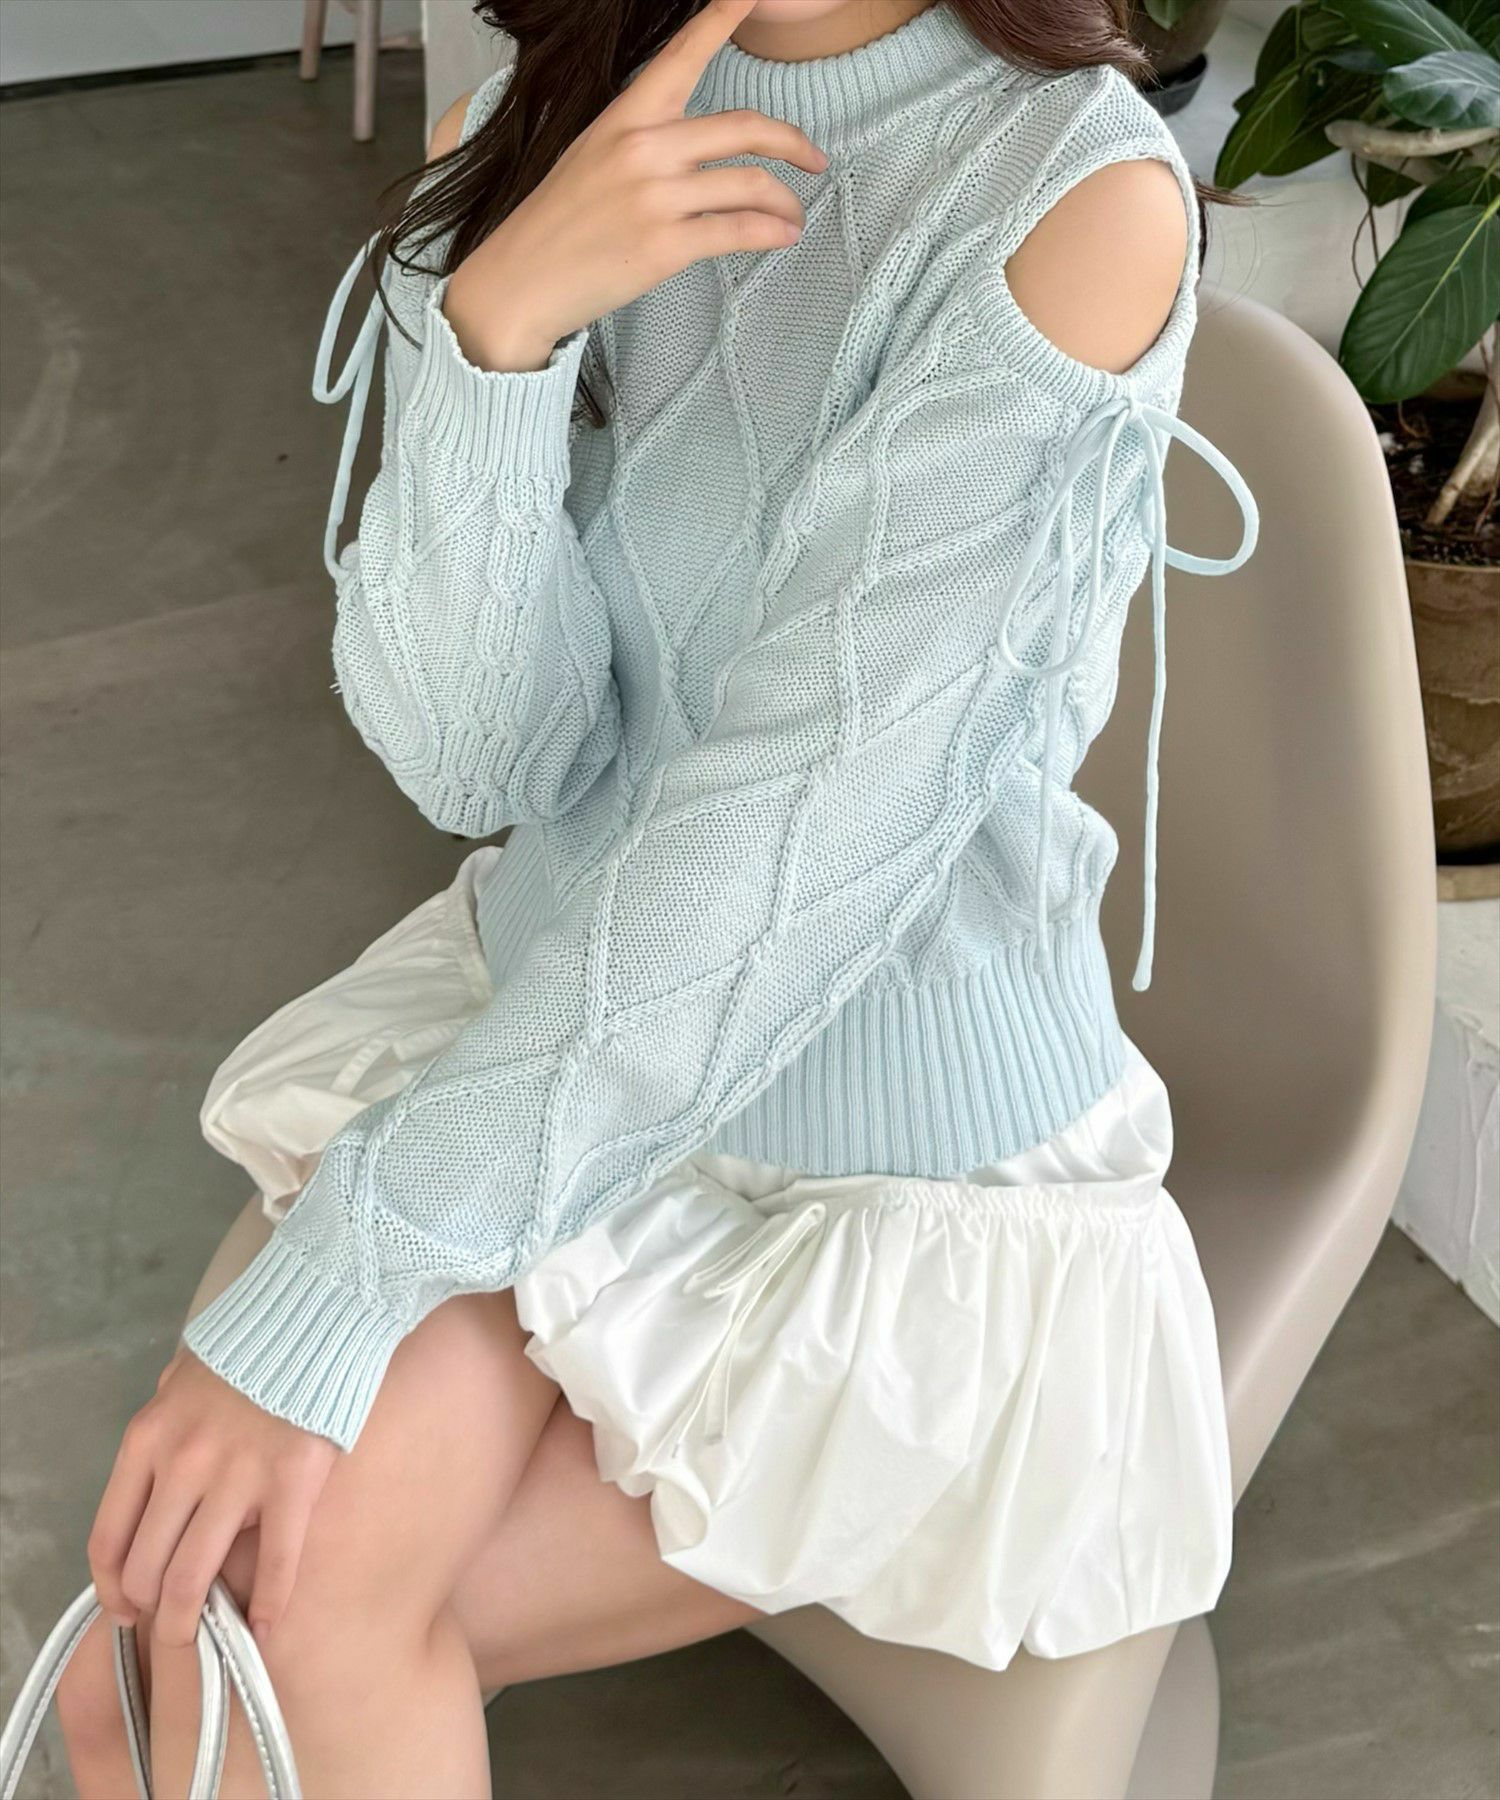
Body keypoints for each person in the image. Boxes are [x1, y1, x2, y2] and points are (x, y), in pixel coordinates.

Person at [58, 1, 1257, 1792]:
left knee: (251, 1654)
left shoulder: (1070, 193)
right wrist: (494, 335)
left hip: (886, 1198)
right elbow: (486, 764)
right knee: (161, 1669)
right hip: (553, 1069)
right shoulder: (553, 108)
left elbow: (797, 858)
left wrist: (354, 1263)